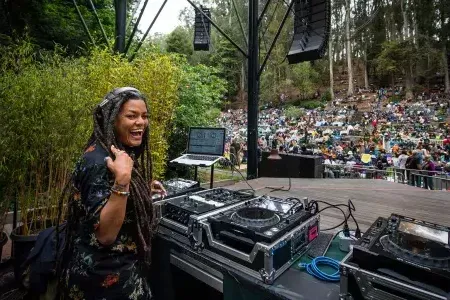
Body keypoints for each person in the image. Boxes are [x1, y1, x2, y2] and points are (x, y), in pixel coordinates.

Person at [57, 87, 167, 299]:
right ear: (111, 119)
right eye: (131, 116)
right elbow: (106, 236)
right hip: (103, 282)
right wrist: (123, 182)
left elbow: (104, 196)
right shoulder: (99, 161)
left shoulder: (113, 150)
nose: (141, 123)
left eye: (144, 116)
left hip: (122, 271)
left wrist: (140, 186)